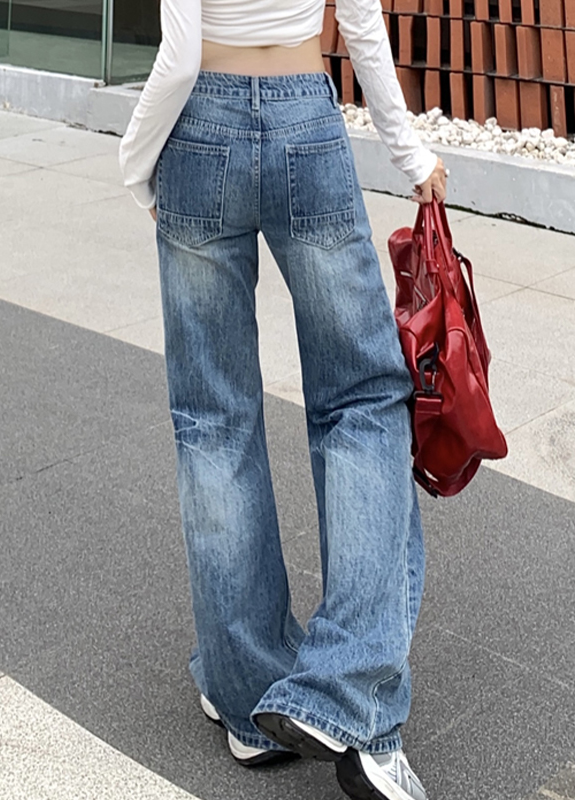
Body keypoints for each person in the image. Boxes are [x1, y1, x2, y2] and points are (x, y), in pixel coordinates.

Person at [119, 2, 446, 799]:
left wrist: (136, 163)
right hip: (305, 116)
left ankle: (246, 699)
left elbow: (182, 49)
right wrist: (410, 153)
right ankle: (346, 685)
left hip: (198, 128)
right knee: (363, 402)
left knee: (214, 421)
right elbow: (360, 21)